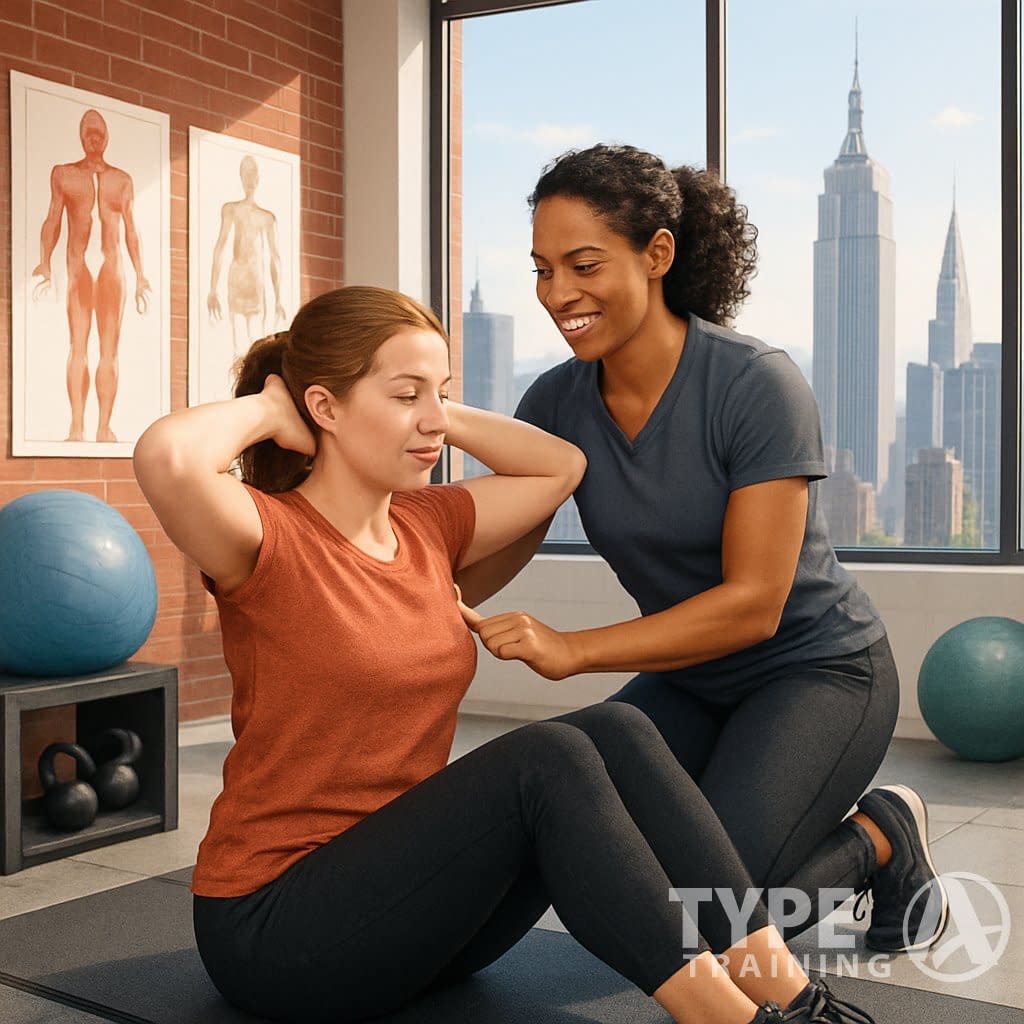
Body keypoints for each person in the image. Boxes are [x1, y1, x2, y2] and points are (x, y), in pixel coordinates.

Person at [135, 284, 876, 1024]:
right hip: (280, 932)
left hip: (416, 917)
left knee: (611, 732)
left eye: (442, 393)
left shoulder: (428, 525)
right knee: (544, 759)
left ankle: (794, 995)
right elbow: (167, 458)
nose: (432, 421)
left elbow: (560, 467)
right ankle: (731, 1021)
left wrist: (428, 408)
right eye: (404, 396)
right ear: (323, 408)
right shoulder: (266, 537)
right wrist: (272, 407)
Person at [456, 144, 948, 955]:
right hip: (689, 682)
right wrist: (408, 588)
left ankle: (882, 835)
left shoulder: (755, 381)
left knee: (708, 915)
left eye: (583, 264)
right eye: (543, 270)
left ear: (657, 255)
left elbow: (754, 605)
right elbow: (501, 542)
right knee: (588, 852)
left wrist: (573, 650)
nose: (558, 294)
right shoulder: (553, 400)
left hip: (817, 670)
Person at [32, 108, 151, 443]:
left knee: (110, 350)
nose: (94, 137)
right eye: (88, 131)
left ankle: (103, 425)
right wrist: (45, 261)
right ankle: (76, 425)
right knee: (79, 346)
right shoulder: (64, 175)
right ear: (81, 135)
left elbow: (131, 231)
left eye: (99, 132)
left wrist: (141, 274)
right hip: (80, 268)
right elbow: (52, 219)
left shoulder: (122, 180)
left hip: (112, 270)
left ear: (107, 137)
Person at [207, 154, 287, 359]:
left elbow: (274, 258)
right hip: (237, 278)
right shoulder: (231, 210)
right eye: (246, 173)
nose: (249, 178)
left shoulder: (266, 218)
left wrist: (278, 298)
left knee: (255, 341)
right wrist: (212, 289)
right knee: (237, 342)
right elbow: (220, 246)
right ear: (240, 177)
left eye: (253, 173)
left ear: (258, 178)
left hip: (255, 281)